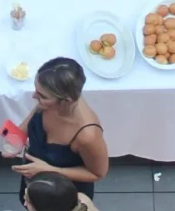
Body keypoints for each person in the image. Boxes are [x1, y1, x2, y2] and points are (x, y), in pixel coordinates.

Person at [14, 57, 109, 198]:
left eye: (41, 96)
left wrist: (50, 170)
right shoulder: (49, 102)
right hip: (35, 175)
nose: (34, 96)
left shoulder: (87, 135)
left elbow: (98, 173)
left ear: (66, 101)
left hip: (64, 193)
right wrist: (15, 138)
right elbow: (29, 123)